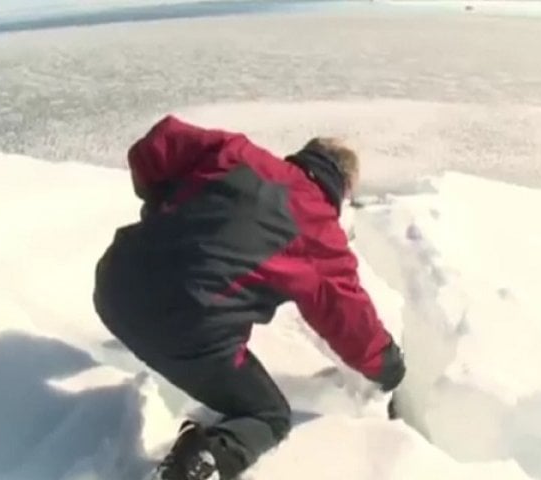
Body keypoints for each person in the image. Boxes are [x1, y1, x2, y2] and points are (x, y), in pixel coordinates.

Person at [93, 115, 406, 480]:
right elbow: (349, 319)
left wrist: (164, 207)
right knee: (268, 415)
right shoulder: (318, 233)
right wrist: (388, 365)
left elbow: (157, 145)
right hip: (182, 326)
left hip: (115, 281)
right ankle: (198, 465)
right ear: (344, 187)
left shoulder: (236, 153)